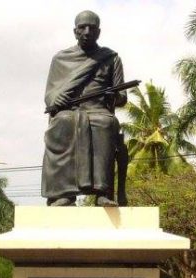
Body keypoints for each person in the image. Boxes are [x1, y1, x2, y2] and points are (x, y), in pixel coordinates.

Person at [41, 10, 127, 207]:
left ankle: (102, 193)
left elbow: (122, 97)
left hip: (99, 110)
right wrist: (57, 99)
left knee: (104, 123)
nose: (87, 32)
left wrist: (113, 96)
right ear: (75, 31)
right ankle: (62, 194)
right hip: (68, 111)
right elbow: (49, 96)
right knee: (63, 122)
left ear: (99, 32)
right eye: (82, 27)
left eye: (92, 28)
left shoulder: (111, 58)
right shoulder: (60, 59)